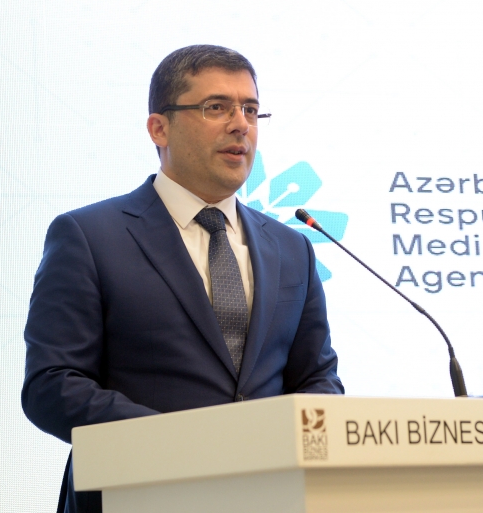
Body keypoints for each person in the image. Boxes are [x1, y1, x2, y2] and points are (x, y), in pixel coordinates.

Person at [22, 45, 343, 513]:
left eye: (250, 109)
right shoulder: (89, 236)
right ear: (159, 128)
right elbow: (52, 386)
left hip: (270, 498)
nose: (240, 125)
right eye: (217, 107)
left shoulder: (292, 247)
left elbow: (317, 377)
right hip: (137, 494)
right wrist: (185, 445)